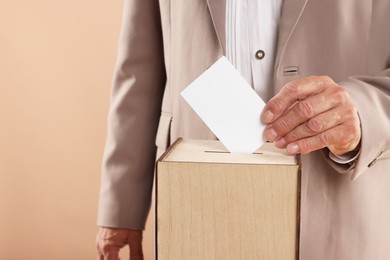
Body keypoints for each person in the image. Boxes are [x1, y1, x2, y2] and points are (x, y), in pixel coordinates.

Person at [96, 1, 390, 259]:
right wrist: (122, 207)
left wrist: (363, 112)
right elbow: (141, 67)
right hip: (192, 206)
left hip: (343, 205)